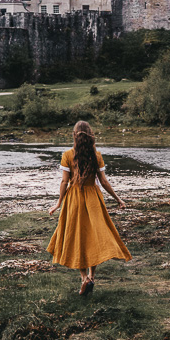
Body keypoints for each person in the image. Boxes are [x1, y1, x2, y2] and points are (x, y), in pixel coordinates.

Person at [47, 120, 131, 295]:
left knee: (78, 237)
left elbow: (64, 182)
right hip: (93, 198)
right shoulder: (96, 155)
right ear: (91, 135)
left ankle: (84, 278)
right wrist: (118, 199)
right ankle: (92, 276)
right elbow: (104, 181)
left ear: (74, 135)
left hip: (74, 199)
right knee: (94, 237)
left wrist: (58, 203)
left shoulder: (67, 155)